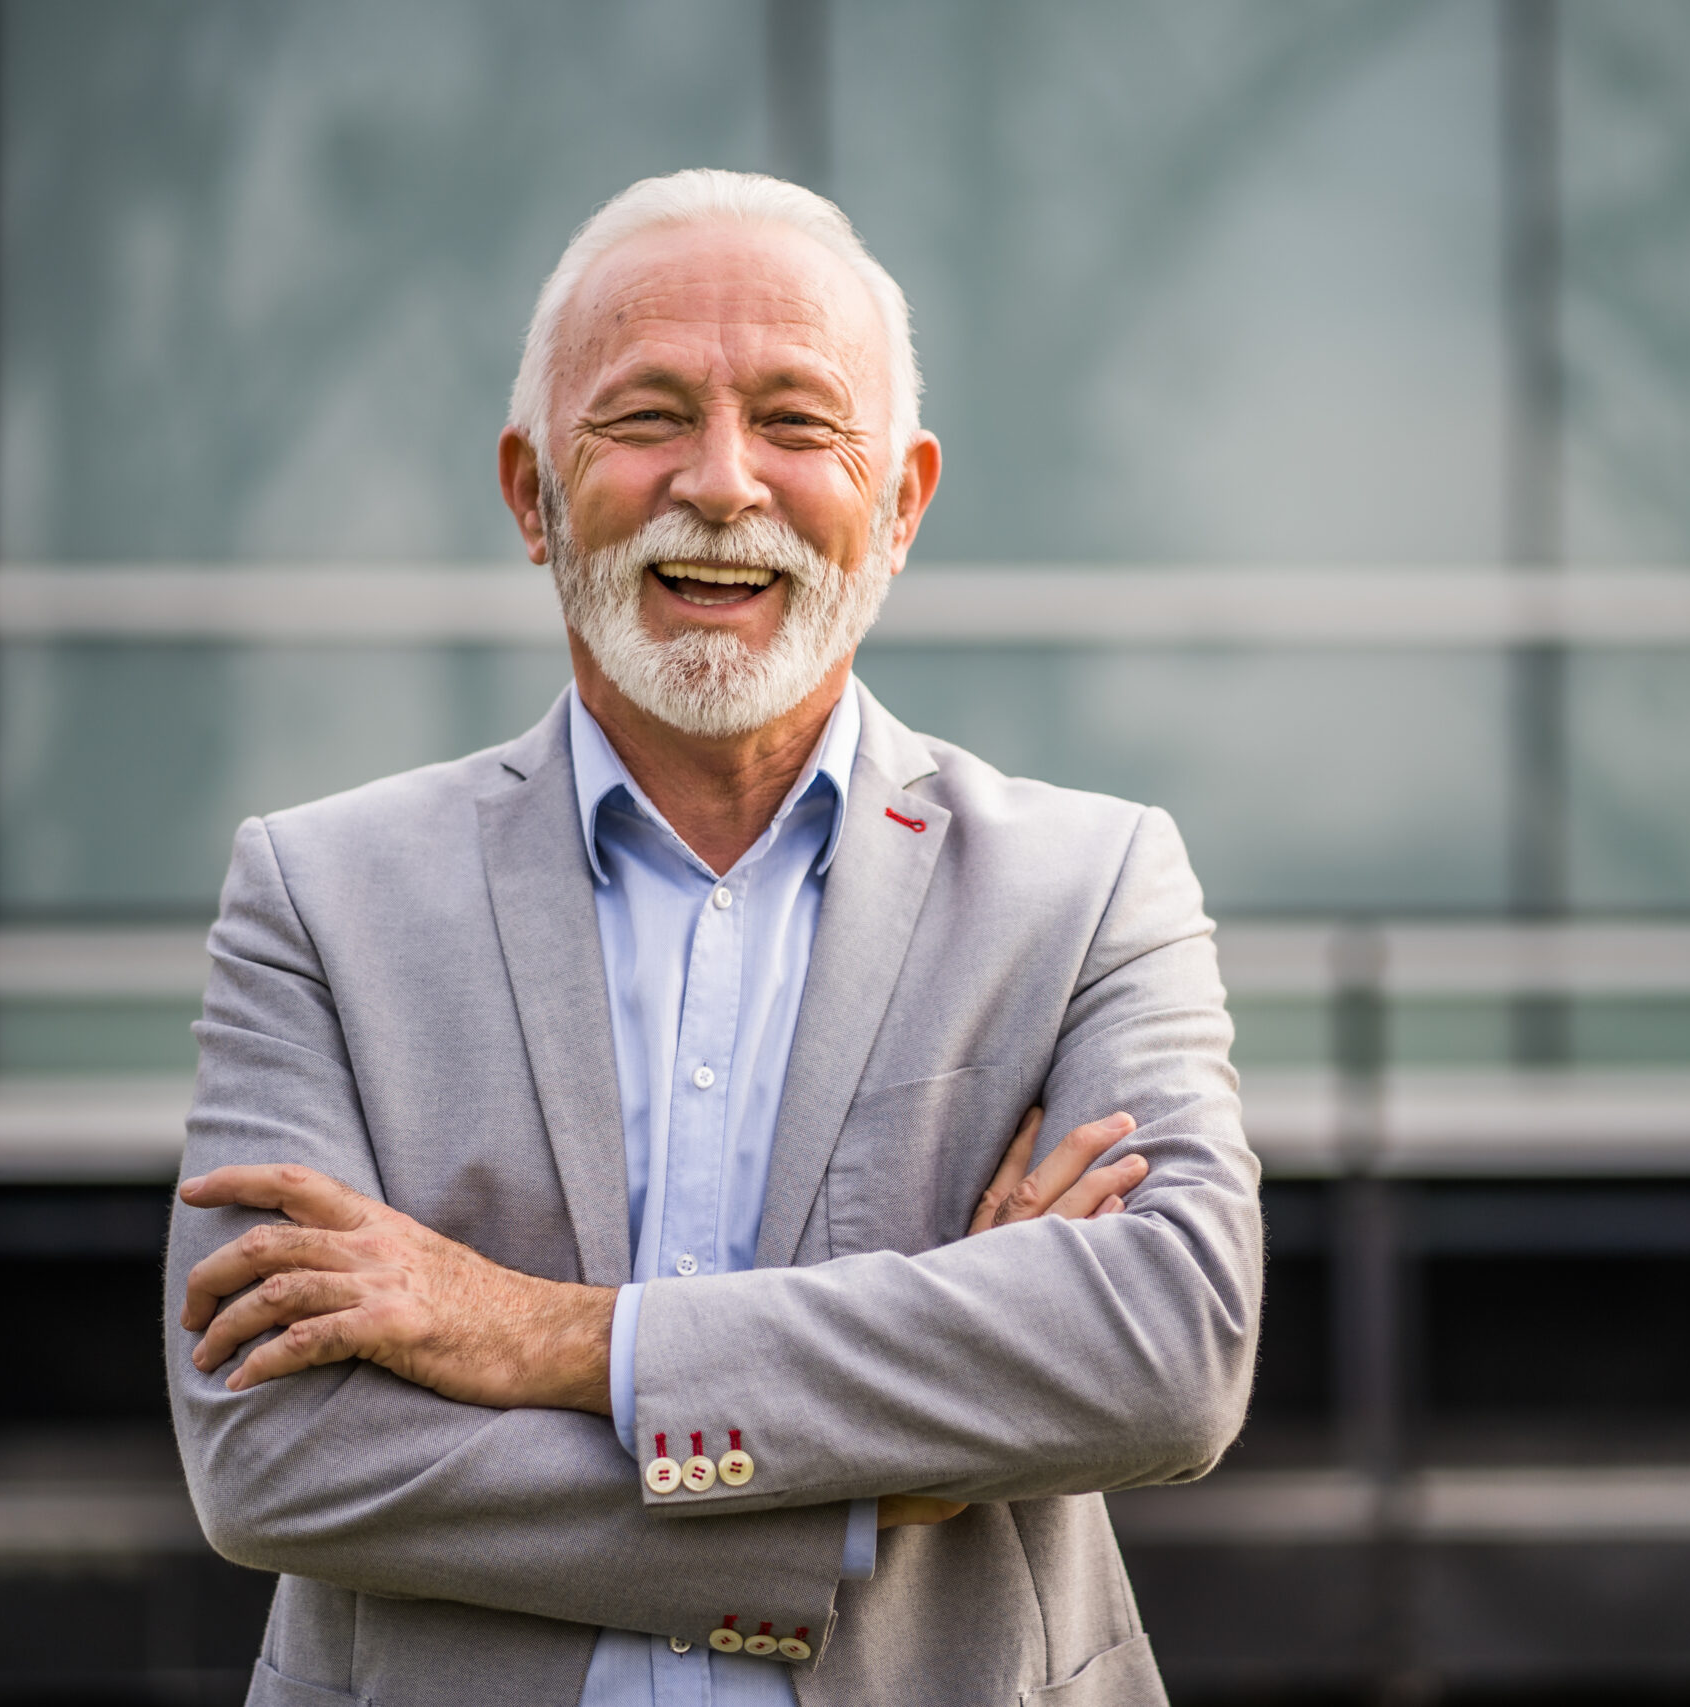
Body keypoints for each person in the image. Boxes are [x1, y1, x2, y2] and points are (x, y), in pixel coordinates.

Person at [163, 168, 1260, 1707]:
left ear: (902, 504)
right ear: (534, 493)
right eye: (649, 415)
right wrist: (867, 1492)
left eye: (801, 423)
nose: (725, 482)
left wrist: (552, 1339)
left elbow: (1168, 1348)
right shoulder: (319, 900)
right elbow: (273, 1458)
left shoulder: (1085, 892)